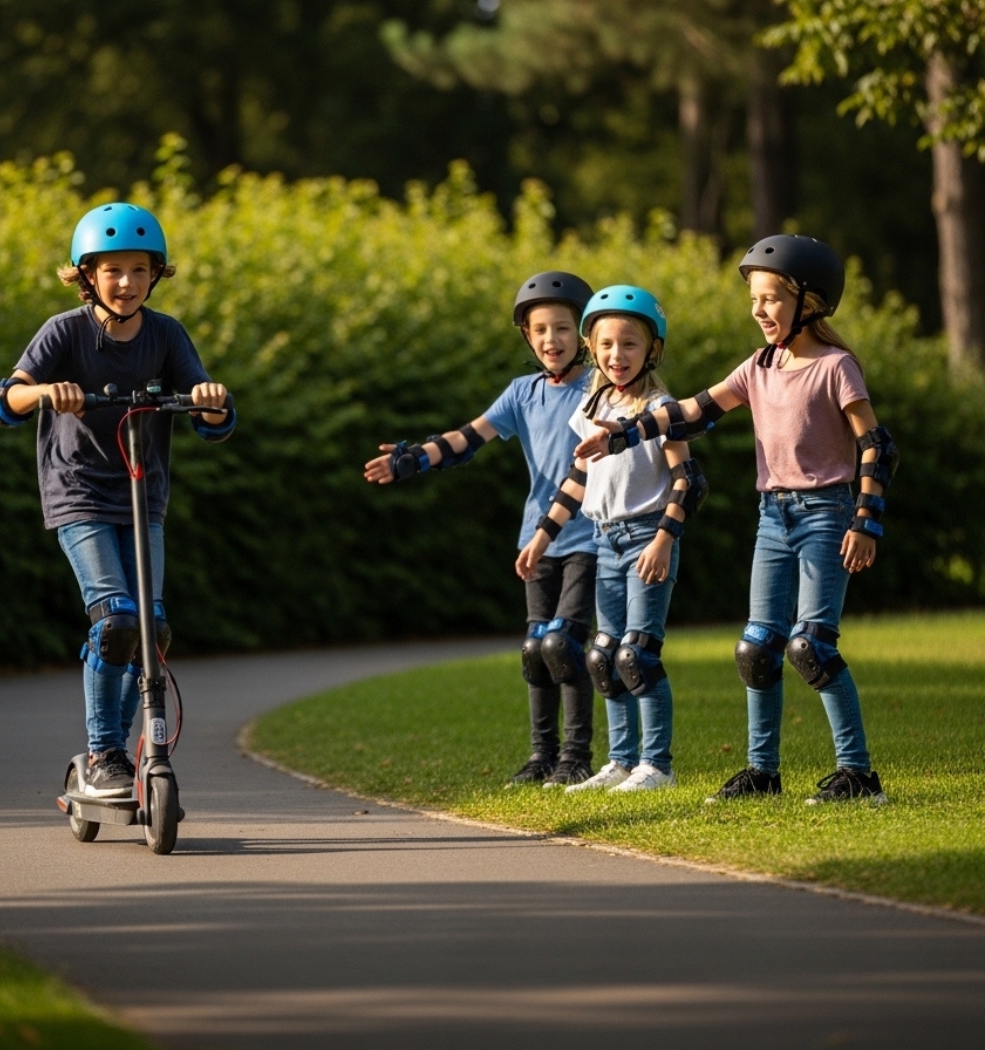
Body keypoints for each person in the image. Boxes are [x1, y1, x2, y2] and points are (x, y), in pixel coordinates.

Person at [574, 236, 896, 804]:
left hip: (826, 513)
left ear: (811, 301)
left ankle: (859, 775)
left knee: (811, 646)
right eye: (755, 299)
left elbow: (875, 444)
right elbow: (691, 411)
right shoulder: (759, 367)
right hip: (772, 516)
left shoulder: (834, 366)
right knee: (756, 647)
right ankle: (761, 773)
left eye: (771, 298)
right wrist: (619, 434)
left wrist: (866, 519)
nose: (760, 311)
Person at [0, 202, 235, 797]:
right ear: (86, 274)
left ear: (156, 274)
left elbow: (211, 419)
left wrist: (211, 401)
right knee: (117, 622)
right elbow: (3, 401)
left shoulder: (167, 335)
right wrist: (45, 391)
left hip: (142, 497)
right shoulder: (63, 332)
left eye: (140, 271)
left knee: (152, 629)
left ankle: (120, 757)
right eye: (113, 271)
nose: (127, 284)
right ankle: (102, 755)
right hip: (78, 494)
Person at [364, 272, 599, 787]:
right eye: (539, 330)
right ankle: (542, 757)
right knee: (537, 647)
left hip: (589, 536)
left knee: (564, 644)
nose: (550, 340)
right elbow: (470, 437)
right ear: (527, 337)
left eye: (562, 329)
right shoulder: (524, 392)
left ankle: (575, 757)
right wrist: (413, 459)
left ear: (582, 335)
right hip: (534, 538)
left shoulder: (600, 388)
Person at [517, 286, 706, 793]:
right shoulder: (593, 403)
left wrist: (665, 539)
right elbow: (577, 481)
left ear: (652, 350)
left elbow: (690, 482)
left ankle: (656, 765)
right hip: (604, 541)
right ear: (591, 347)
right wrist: (542, 536)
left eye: (628, 345)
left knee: (637, 654)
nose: (615, 356)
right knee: (603, 653)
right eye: (604, 345)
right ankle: (620, 762)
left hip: (647, 537)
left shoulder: (660, 407)